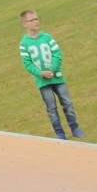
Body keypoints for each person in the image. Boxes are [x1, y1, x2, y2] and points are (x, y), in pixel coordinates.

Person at [18, 9, 84, 140]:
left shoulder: (47, 37)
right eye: (32, 20)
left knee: (67, 103)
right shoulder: (24, 43)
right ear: (25, 24)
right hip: (43, 82)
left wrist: (52, 70)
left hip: (58, 78)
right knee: (51, 108)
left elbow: (57, 55)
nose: (36, 22)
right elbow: (27, 64)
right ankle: (59, 132)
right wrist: (40, 73)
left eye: (37, 19)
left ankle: (75, 128)